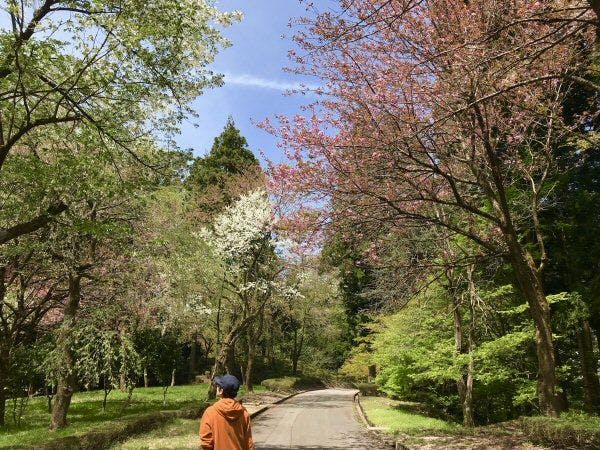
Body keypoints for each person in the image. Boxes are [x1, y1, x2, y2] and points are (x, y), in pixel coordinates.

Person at [199, 374, 255, 450]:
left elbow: (206, 442)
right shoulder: (244, 413)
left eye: (218, 386)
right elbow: (248, 442)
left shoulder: (210, 412)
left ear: (221, 391)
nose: (216, 387)